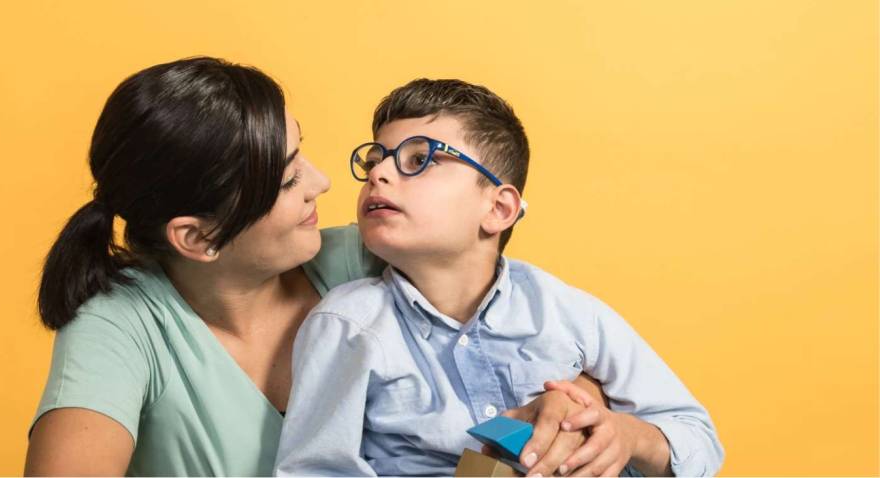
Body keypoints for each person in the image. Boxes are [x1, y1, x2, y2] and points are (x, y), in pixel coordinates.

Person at [24, 57, 606, 476]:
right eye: (285, 178)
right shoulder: (117, 328)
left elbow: (521, 327)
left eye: (300, 150)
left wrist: (570, 394)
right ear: (199, 237)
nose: (322, 183)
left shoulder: (369, 256)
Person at [275, 79, 724, 477]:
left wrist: (627, 436)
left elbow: (699, 440)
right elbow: (314, 469)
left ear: (499, 209)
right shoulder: (348, 325)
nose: (379, 173)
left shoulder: (565, 310)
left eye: (419, 159)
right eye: (376, 159)